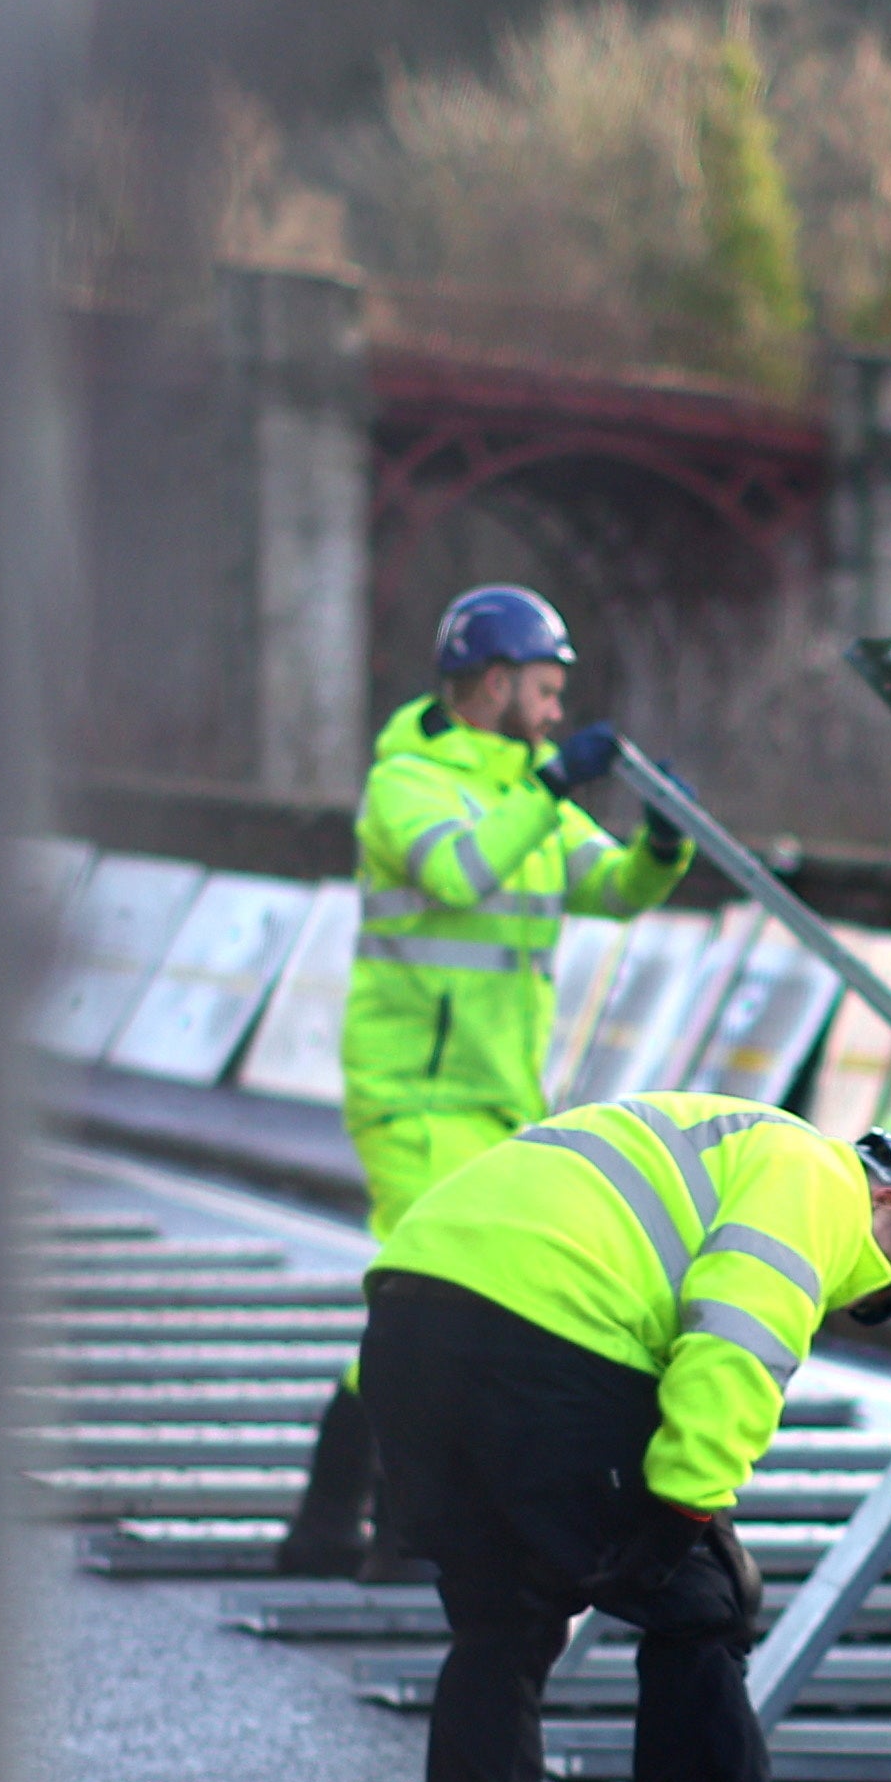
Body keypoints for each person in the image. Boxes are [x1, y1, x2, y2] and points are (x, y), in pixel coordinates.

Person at [361, 1095, 891, 1782]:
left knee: (500, 1628)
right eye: (872, 1285)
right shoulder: (818, 1179)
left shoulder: (724, 1134)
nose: (845, 1293)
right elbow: (740, 1336)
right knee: (706, 1608)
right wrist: (685, 1509)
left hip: (411, 1319)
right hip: (549, 1333)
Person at [271, 584, 690, 1576]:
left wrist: (661, 842)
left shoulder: (525, 788)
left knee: (444, 1312)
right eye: (544, 691)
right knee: (432, 1308)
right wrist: (548, 792)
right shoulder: (406, 784)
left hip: (498, 1101)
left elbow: (616, 891)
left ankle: (351, 1527)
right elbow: (461, 872)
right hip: (411, 1094)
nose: (556, 712)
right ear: (493, 683)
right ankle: (361, 1524)